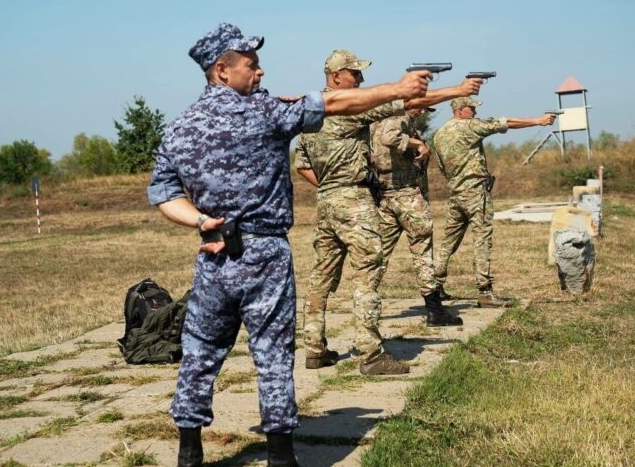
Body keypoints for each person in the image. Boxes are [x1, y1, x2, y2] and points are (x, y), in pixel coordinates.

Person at [147, 24, 430, 467]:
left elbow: (164, 193)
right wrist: (396, 88)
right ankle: (281, 457)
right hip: (264, 258)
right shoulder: (263, 113)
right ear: (221, 70)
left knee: (200, 352)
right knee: (273, 354)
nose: (260, 73)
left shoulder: (180, 127)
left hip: (213, 255)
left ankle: (189, 452)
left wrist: (202, 220)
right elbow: (334, 103)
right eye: (251, 65)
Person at [295, 50, 482, 376]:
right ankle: (370, 354)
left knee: (321, 277)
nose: (362, 80)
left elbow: (301, 165)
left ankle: (314, 349)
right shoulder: (345, 109)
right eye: (356, 74)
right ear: (336, 76)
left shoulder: (309, 115)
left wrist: (330, 185)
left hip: (326, 201)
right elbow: (404, 103)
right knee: (367, 276)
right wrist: (457, 90)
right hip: (354, 201)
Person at [432, 96, 555, 307]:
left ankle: (434, 286)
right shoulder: (469, 126)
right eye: (471, 109)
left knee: (447, 242)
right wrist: (538, 121)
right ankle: (484, 291)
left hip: (456, 194)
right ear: (460, 110)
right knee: (482, 241)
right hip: (476, 193)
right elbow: (505, 123)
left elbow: (442, 168)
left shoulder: (439, 134)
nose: (475, 112)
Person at [369, 107, 463, 326]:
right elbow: (390, 138)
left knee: (377, 254)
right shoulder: (397, 120)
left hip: (384, 196)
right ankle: (434, 310)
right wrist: (418, 144)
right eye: (421, 107)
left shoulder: (375, 121)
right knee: (422, 253)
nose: (422, 112)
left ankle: (365, 302)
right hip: (407, 196)